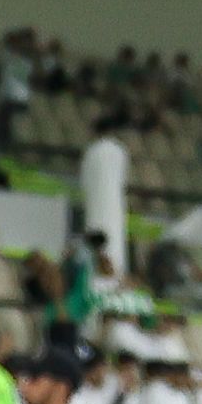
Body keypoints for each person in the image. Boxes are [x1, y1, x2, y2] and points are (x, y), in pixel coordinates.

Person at [79, 115, 130, 282]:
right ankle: (115, 275)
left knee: (96, 240)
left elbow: (84, 182)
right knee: (115, 240)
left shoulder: (91, 151)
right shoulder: (120, 151)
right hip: (114, 203)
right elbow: (123, 179)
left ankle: (97, 276)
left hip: (95, 202)